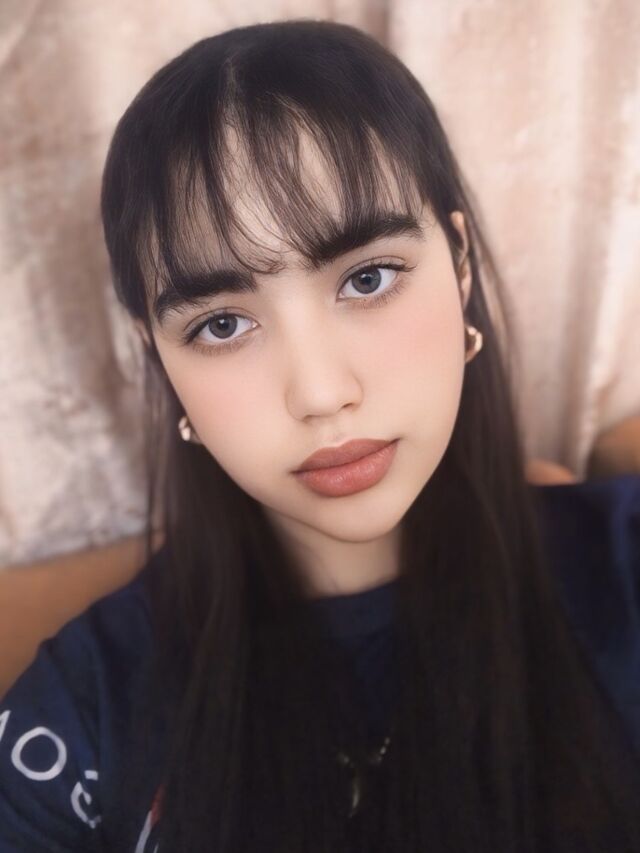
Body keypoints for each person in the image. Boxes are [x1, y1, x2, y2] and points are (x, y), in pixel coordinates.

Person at [1, 19, 639, 853]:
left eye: (368, 278)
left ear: (460, 264)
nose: (321, 393)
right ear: (157, 357)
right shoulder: (86, 711)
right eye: (222, 324)